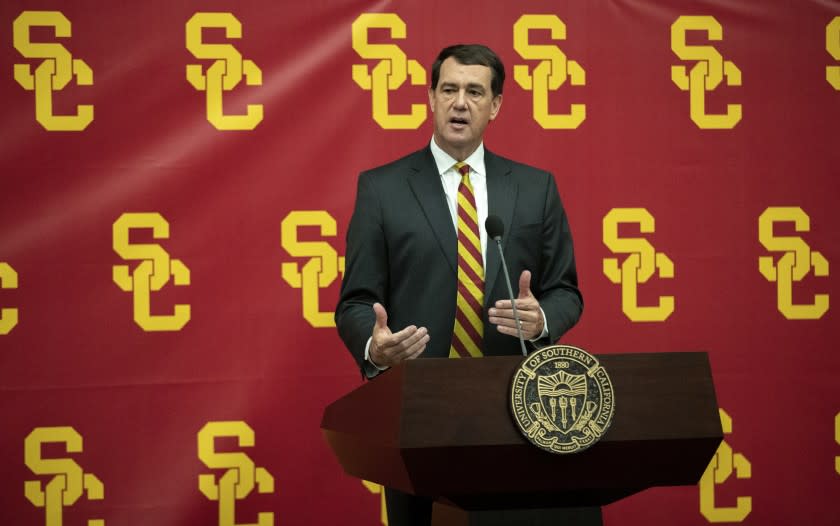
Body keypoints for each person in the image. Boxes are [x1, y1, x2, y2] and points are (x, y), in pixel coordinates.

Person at [335, 44, 583, 526]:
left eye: (474, 91)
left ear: (496, 106)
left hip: (515, 409)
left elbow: (565, 291)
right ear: (430, 98)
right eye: (448, 89)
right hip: (415, 411)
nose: (460, 102)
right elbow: (357, 300)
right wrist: (375, 347)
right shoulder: (382, 189)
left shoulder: (535, 188)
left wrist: (543, 319)